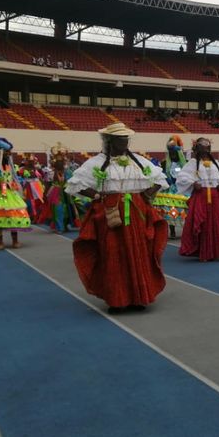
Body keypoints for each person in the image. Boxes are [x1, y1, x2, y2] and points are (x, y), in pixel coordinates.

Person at [65, 122, 168, 313]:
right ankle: (117, 299)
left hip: (136, 215)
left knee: (139, 253)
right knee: (113, 254)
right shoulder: (97, 162)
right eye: (121, 139)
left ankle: (139, 297)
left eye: (126, 139)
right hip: (111, 217)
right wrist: (97, 196)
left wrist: (148, 193)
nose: (125, 143)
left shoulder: (138, 161)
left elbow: (160, 180)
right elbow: (75, 185)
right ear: (110, 141)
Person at [176, 137, 219, 261]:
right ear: (198, 149)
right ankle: (202, 251)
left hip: (215, 196)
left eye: (207, 148)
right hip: (201, 196)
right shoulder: (192, 163)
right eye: (203, 148)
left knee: (215, 223)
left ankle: (216, 251)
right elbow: (182, 176)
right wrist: (193, 183)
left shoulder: (216, 163)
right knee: (202, 222)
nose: (205, 150)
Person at [153, 135, 189, 240]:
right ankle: (172, 230)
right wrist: (166, 179)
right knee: (170, 210)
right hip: (170, 190)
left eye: (174, 152)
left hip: (182, 189)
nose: (173, 155)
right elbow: (161, 175)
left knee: (184, 210)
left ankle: (186, 230)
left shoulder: (185, 163)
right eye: (171, 153)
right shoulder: (164, 163)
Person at [39, 143, 79, 233]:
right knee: (58, 209)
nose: (60, 163)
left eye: (61, 161)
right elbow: (47, 184)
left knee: (68, 209)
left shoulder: (68, 172)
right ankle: (59, 227)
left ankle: (65, 225)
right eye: (58, 162)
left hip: (66, 193)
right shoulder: (51, 173)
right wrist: (45, 194)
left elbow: (72, 181)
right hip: (56, 193)